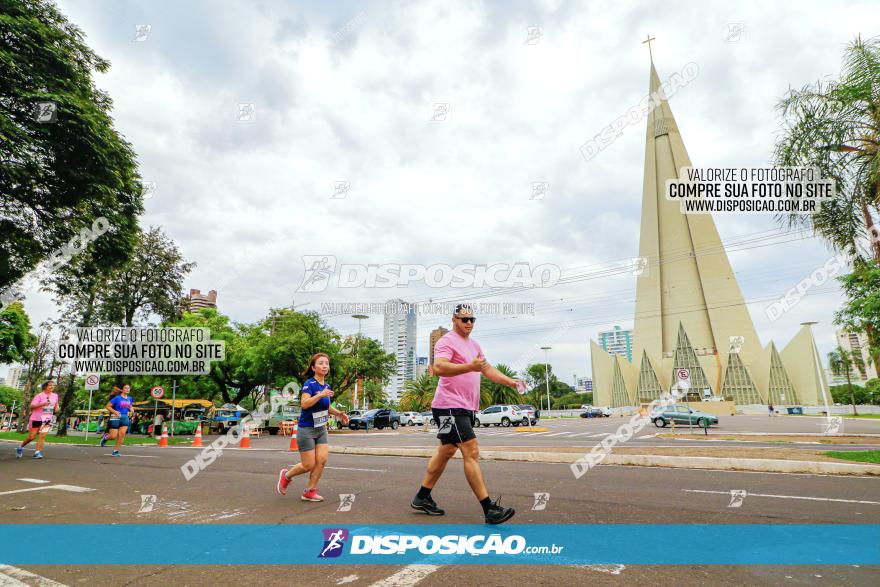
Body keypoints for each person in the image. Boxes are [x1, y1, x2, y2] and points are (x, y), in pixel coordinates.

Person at [411, 304, 523, 524]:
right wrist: (469, 367)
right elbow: (439, 367)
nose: (469, 323)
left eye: (472, 319)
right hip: (449, 407)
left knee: (446, 450)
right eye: (464, 319)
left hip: (463, 408)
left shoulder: (474, 345)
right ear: (454, 319)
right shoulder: (446, 341)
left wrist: (511, 381)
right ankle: (489, 509)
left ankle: (422, 497)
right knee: (470, 450)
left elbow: (487, 369)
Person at [277, 353, 350, 501]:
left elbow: (326, 406)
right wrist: (320, 395)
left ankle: (309, 491)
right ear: (313, 367)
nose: (324, 366)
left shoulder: (326, 386)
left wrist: (339, 414)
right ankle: (286, 476)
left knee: (321, 461)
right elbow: (304, 404)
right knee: (308, 465)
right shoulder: (309, 384)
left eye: (326, 363)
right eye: (321, 363)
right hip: (306, 429)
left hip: (321, 429)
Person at [16, 381, 59, 459]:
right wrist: (42, 404)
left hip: (47, 419)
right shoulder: (39, 396)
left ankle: (37, 452)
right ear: (45, 386)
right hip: (36, 418)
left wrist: (57, 408)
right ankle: (20, 447)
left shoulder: (55, 396)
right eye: (50, 385)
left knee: (42, 436)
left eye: (53, 385)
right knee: (31, 437)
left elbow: (56, 405)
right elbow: (31, 407)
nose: (52, 387)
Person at [101, 385, 133, 456]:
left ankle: (115, 451)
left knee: (121, 435)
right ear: (122, 389)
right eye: (126, 388)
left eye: (129, 388)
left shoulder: (130, 398)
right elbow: (108, 406)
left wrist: (131, 409)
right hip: (115, 417)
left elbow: (130, 406)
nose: (127, 389)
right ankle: (106, 437)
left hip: (125, 417)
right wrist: (115, 412)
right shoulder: (117, 398)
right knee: (113, 436)